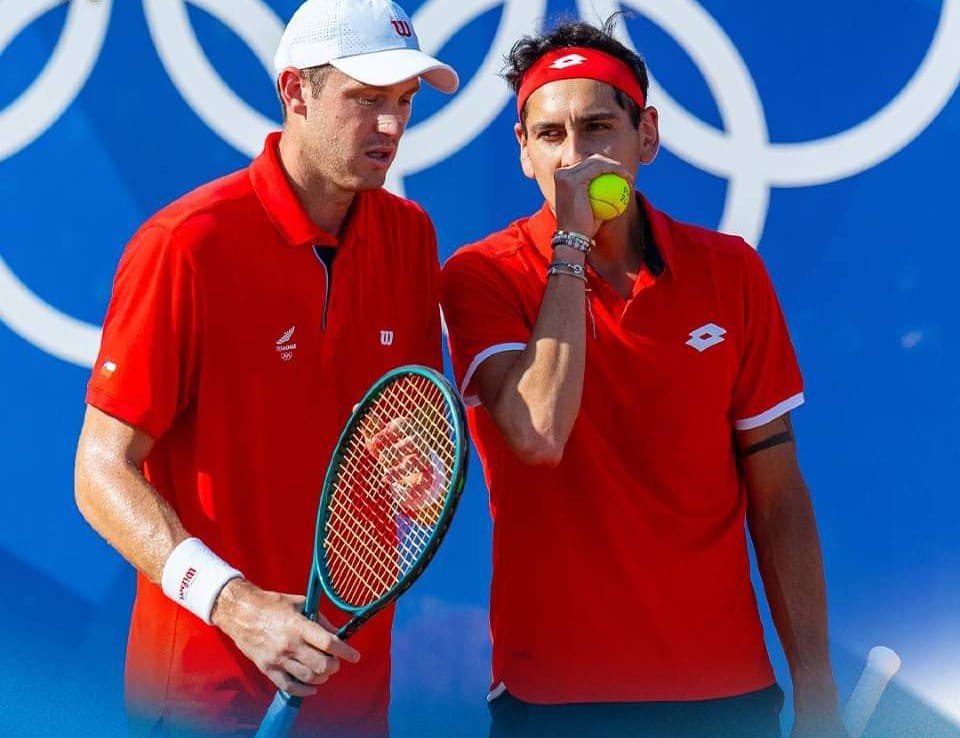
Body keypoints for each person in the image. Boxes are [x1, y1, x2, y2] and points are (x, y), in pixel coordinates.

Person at [440, 17, 845, 738]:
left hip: (728, 693)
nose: (576, 157)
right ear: (524, 151)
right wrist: (572, 243)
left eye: (598, 128)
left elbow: (778, 495)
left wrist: (815, 686)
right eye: (551, 135)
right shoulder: (480, 276)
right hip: (555, 699)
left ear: (647, 136)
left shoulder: (731, 271)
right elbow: (537, 434)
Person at [73, 1, 458, 736]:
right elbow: (99, 471)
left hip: (351, 695)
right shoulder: (186, 245)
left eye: (405, 102)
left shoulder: (410, 236)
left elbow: (411, 430)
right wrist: (234, 603)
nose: (391, 126)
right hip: (203, 697)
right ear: (295, 91)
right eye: (367, 99)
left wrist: (417, 469)